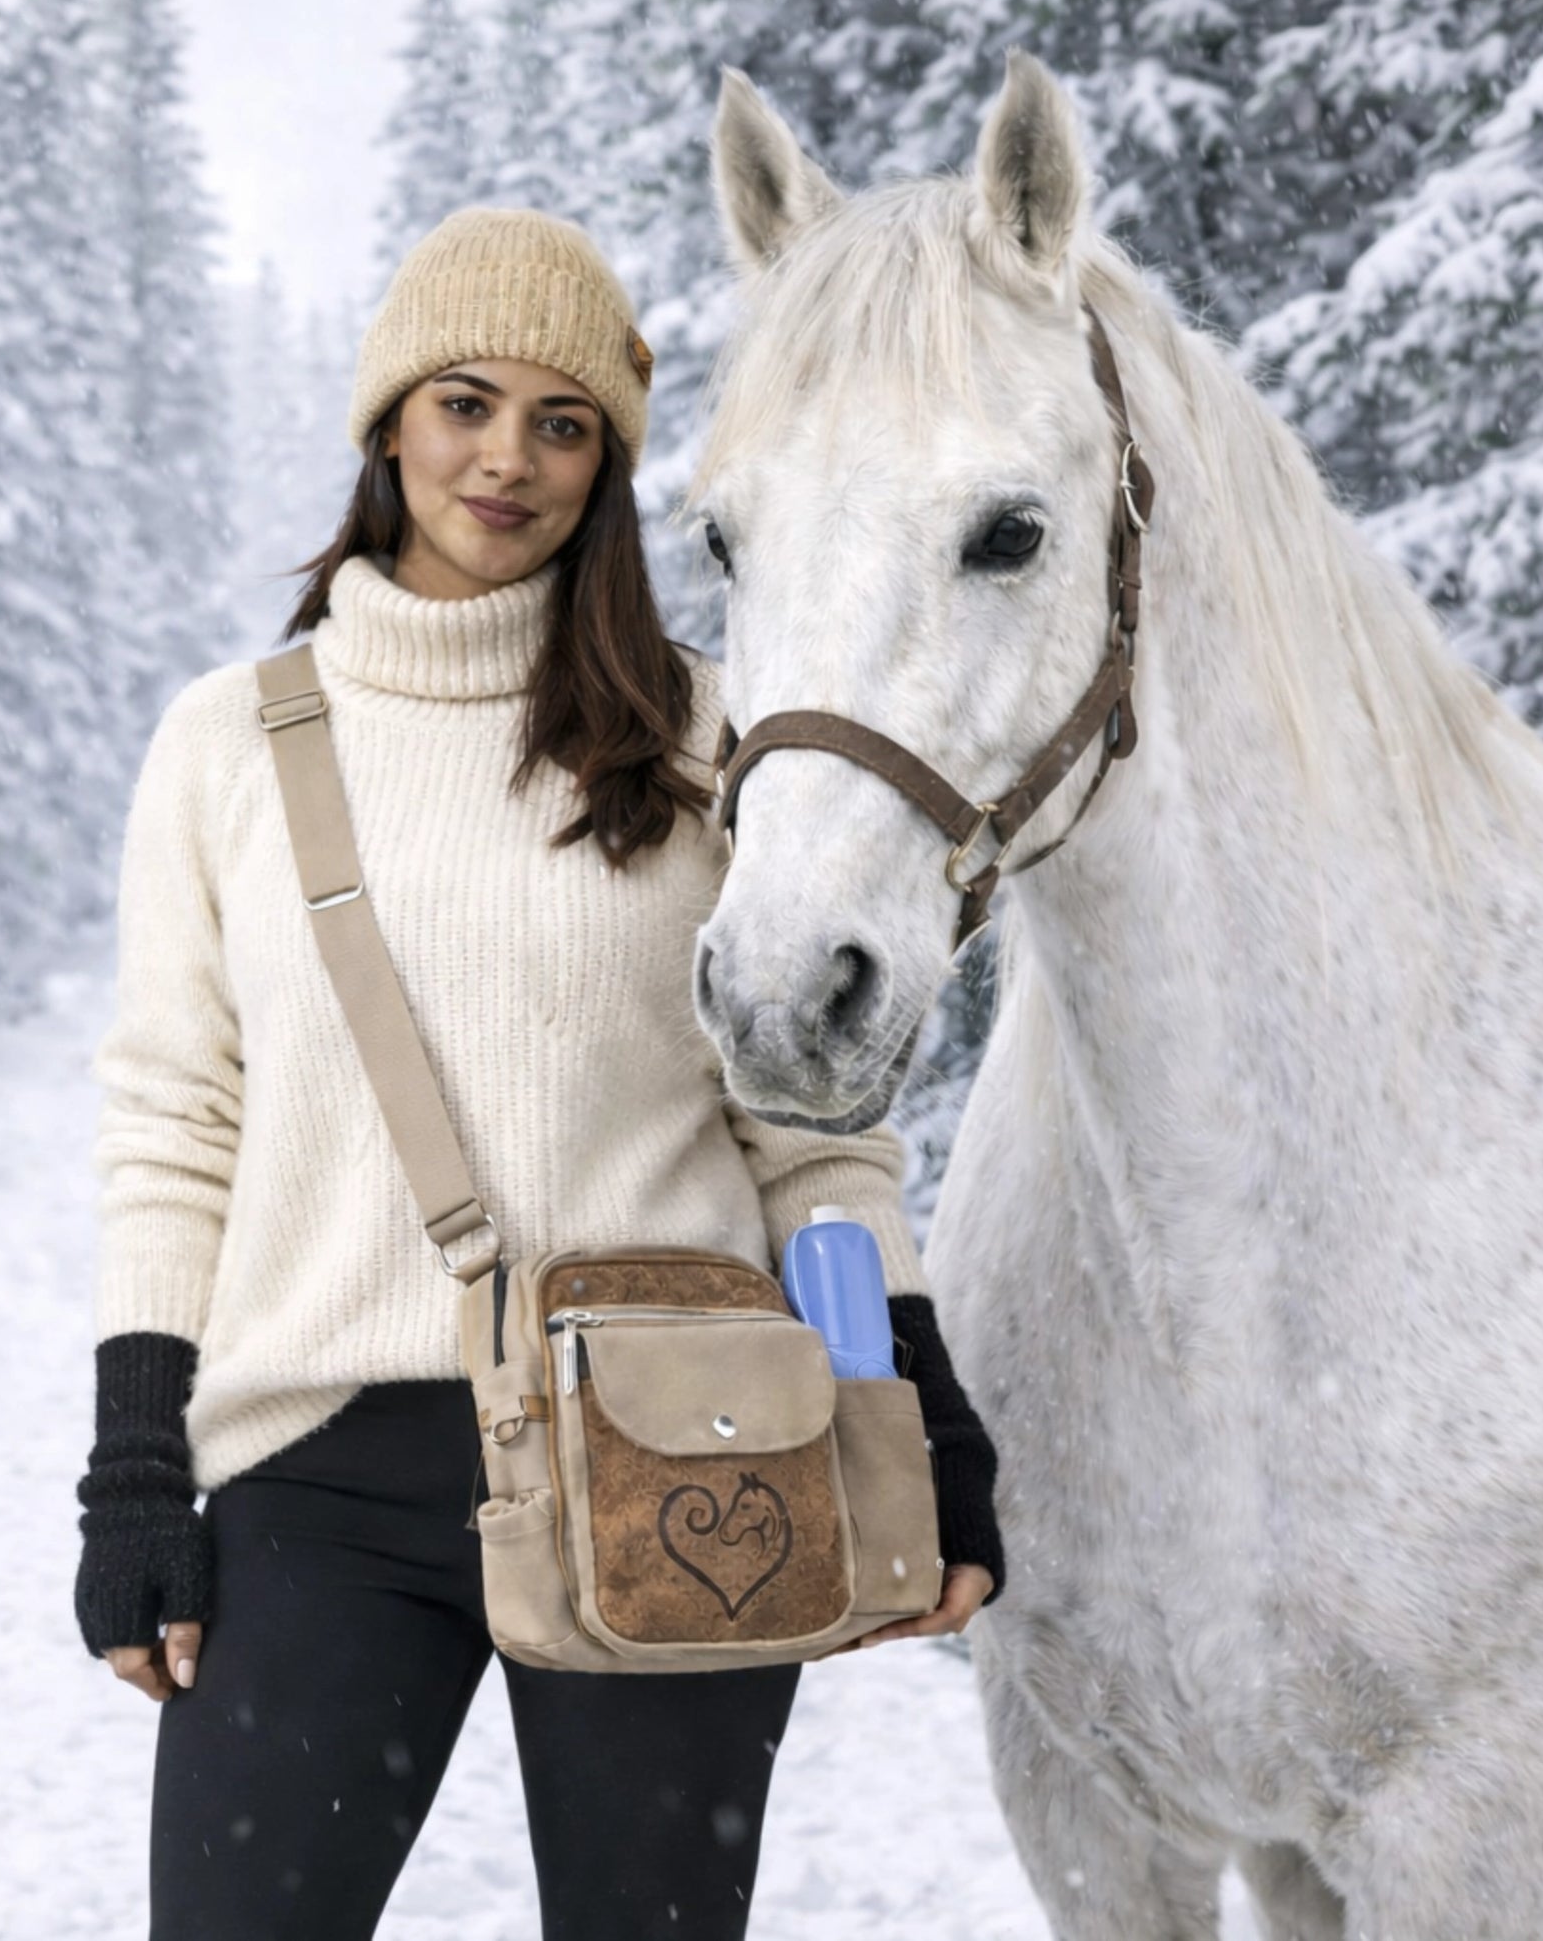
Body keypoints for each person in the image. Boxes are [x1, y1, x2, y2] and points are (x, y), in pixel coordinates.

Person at [70, 206, 1004, 1941]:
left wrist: (914, 1399)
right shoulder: (229, 741)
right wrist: (136, 1463)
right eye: (466, 403)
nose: (508, 458)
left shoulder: (709, 738)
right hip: (318, 1471)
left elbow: (807, 1133)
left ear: (611, 466)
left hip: (679, 1453)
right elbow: (173, 1122)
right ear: (389, 423)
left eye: (564, 424)